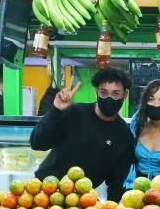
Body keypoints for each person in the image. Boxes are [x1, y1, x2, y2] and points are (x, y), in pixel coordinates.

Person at [30, 67, 134, 201]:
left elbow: (116, 184)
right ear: (96, 91)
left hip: (81, 203)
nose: (109, 98)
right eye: (104, 92)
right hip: (44, 191)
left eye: (115, 94)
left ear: (124, 95)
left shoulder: (124, 136)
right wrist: (56, 110)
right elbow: (37, 143)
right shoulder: (74, 112)